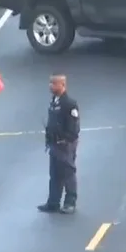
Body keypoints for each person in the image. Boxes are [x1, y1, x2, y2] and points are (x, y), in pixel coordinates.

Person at [38, 74, 80, 214]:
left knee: (68, 173)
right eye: (50, 83)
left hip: (65, 145)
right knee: (55, 174)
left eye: (54, 83)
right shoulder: (54, 101)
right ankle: (53, 202)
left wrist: (67, 140)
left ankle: (70, 203)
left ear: (63, 85)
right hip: (54, 144)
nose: (51, 86)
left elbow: (74, 127)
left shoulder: (69, 104)